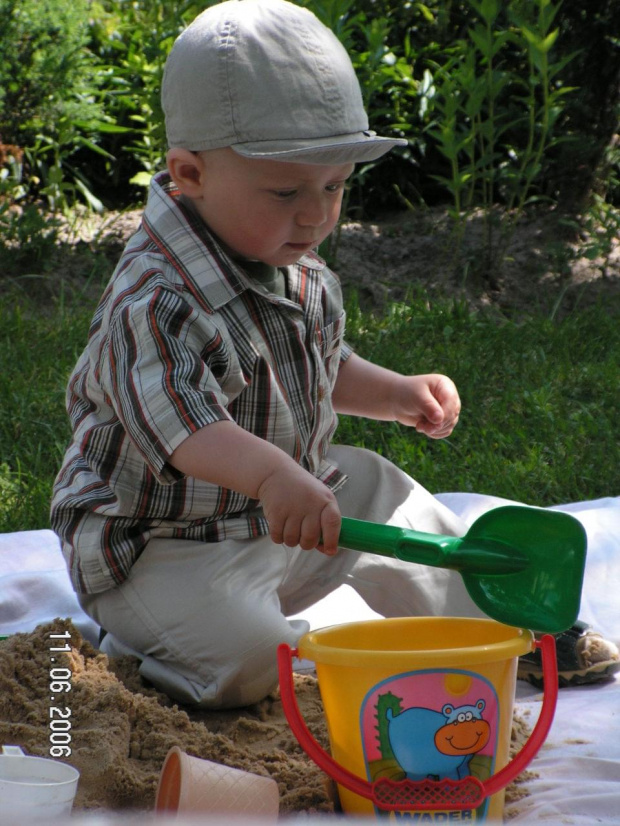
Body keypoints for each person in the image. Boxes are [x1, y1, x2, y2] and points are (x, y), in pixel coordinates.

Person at [51, 0, 617, 707]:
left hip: (281, 511)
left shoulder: (296, 263)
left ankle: (498, 624)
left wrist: (395, 393)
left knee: (384, 490)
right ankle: (150, 657)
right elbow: (186, 427)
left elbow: (322, 367)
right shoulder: (155, 298)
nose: (317, 214)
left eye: (335, 184)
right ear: (189, 174)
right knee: (263, 662)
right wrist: (273, 476)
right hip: (162, 544)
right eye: (286, 190)